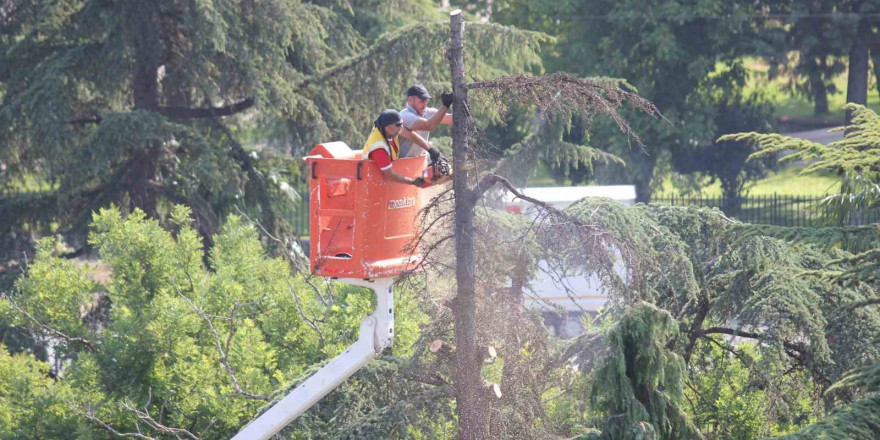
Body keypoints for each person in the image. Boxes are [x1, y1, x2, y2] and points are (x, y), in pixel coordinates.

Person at [363, 109, 437, 187]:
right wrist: (413, 182)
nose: (402, 127)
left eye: (402, 124)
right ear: (389, 126)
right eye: (398, 125)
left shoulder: (388, 129)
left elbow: (411, 136)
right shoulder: (379, 148)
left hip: (386, 179)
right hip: (373, 183)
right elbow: (390, 175)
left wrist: (430, 149)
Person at [398, 84, 453, 161]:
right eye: (422, 101)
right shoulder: (404, 115)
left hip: (419, 162)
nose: (424, 104)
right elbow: (428, 126)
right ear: (410, 100)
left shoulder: (427, 112)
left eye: (426, 101)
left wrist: (461, 107)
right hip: (403, 163)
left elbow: (451, 119)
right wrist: (445, 105)